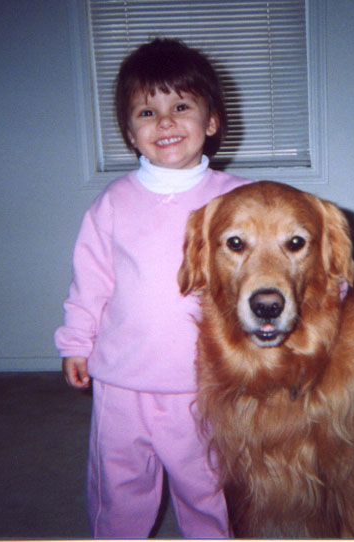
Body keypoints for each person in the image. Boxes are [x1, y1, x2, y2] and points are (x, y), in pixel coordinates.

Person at [54, 38, 250, 538]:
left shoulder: (239, 199)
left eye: (181, 107)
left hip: (205, 381)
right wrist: (76, 342)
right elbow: (90, 281)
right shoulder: (113, 203)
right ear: (130, 133)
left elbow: (284, 263)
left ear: (211, 121)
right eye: (147, 112)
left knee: (208, 487)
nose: (164, 122)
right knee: (118, 487)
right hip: (121, 380)